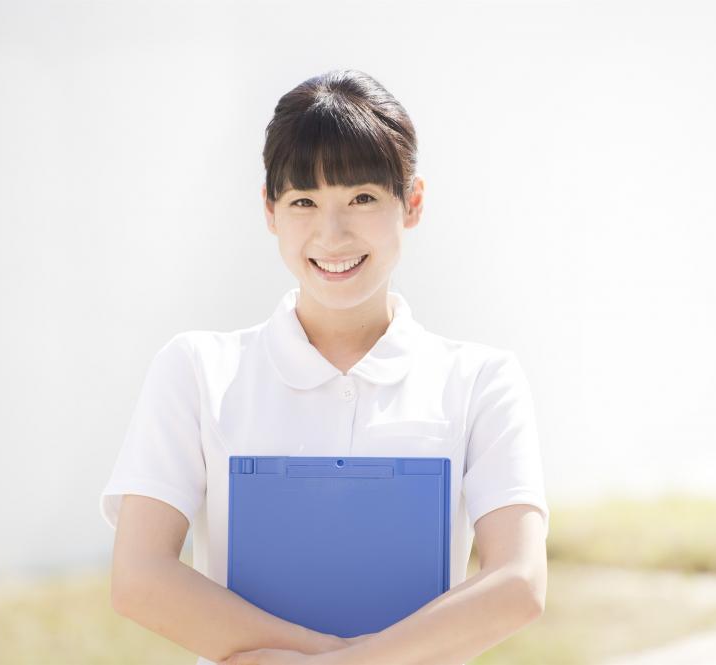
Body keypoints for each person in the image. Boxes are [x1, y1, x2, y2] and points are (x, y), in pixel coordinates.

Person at [100, 69, 550, 665]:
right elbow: (140, 577)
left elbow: (517, 583)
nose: (331, 234)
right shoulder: (195, 369)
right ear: (270, 210)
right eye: (303, 202)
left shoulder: (481, 380)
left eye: (361, 198)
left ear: (411, 202)